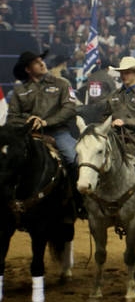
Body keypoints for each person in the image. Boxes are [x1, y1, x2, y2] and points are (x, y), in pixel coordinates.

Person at [7, 50, 81, 216]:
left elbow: (70, 108)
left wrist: (46, 121)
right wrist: (28, 121)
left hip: (58, 132)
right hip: (29, 134)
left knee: (74, 158)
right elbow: (12, 118)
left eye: (42, 60)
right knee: (8, 160)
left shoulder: (62, 83)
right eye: (36, 62)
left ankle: (78, 202)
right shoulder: (19, 90)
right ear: (28, 69)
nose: (42, 64)